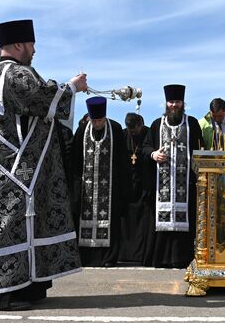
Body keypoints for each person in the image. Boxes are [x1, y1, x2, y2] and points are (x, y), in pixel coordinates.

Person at [0, 19, 85, 311]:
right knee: (8, 225)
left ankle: (24, 286)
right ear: (19, 44)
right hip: (14, 169)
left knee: (16, 225)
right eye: (31, 44)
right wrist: (73, 86)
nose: (34, 50)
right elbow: (41, 98)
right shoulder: (15, 73)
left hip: (5, 164)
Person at [142, 84, 204, 268]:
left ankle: (183, 259)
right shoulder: (156, 124)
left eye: (177, 102)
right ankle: (161, 259)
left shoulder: (192, 123)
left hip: (187, 184)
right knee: (161, 221)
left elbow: (201, 149)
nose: (174, 105)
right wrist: (154, 154)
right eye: (171, 102)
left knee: (186, 222)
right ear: (166, 103)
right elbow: (145, 148)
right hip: (162, 186)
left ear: (182, 103)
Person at [70, 97, 131, 267]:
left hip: (110, 188)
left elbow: (123, 161)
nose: (97, 124)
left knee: (110, 223)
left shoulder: (116, 129)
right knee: (84, 220)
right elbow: (75, 160)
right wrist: (74, 189)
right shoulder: (82, 130)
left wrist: (124, 189)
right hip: (85, 189)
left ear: (105, 117)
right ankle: (87, 258)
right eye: (94, 120)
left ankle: (108, 258)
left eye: (100, 120)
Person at [119, 113, 153, 264]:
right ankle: (125, 254)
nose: (133, 133)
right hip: (126, 184)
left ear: (142, 124)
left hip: (144, 182)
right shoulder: (123, 135)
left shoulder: (149, 133)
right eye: (130, 130)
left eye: (135, 130)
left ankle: (141, 255)